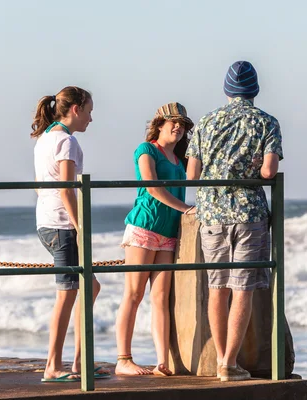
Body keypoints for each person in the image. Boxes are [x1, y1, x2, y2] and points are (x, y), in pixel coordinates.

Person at [186, 61, 283, 382]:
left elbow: (192, 176)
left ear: (227, 90)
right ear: (254, 89)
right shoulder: (266, 122)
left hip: (211, 213)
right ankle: (229, 362)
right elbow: (269, 173)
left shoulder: (206, 122)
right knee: (243, 289)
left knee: (218, 287)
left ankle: (220, 363)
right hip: (249, 214)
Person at [32, 86, 109, 382]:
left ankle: (80, 362)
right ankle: (53, 365)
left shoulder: (45, 139)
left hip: (46, 221)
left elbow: (40, 186)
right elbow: (66, 188)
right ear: (76, 109)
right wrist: (80, 227)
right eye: (89, 111)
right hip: (62, 225)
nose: (91, 118)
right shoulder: (66, 141)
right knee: (67, 294)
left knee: (89, 287)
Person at [115, 103, 196, 376]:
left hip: (169, 232)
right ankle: (123, 359)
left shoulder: (181, 158)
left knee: (161, 297)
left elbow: (196, 178)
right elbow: (151, 186)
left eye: (182, 124)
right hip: (144, 227)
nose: (178, 127)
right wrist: (185, 208)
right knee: (134, 293)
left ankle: (163, 362)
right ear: (159, 124)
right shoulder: (146, 150)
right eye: (173, 122)